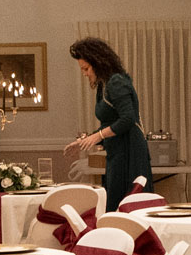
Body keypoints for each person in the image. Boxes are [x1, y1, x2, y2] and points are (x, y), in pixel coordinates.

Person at [64, 36, 152, 203]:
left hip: (129, 151)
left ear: (98, 63)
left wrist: (98, 136)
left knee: (126, 202)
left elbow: (128, 118)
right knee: (114, 199)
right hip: (117, 151)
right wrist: (86, 140)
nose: (85, 74)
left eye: (86, 69)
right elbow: (110, 124)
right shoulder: (104, 85)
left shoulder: (116, 82)